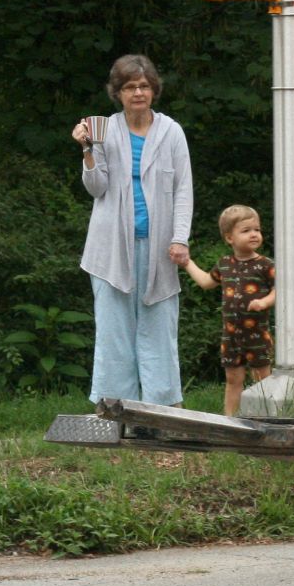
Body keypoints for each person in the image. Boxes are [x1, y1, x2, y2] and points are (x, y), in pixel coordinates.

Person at [73, 54, 191, 407]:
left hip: (160, 248)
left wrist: (179, 238)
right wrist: (87, 150)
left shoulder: (171, 131)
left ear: (153, 89)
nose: (137, 93)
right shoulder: (104, 129)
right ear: (118, 93)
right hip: (109, 249)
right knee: (113, 333)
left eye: (143, 86)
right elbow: (96, 187)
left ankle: (164, 411)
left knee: (159, 329)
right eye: (129, 87)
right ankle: (113, 410)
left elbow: (184, 188)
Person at [183, 205, 276, 417]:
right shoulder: (224, 264)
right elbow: (207, 282)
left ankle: (267, 420)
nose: (254, 234)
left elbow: (280, 289)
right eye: (246, 230)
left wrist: (265, 302)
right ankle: (229, 420)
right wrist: (187, 263)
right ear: (229, 238)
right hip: (231, 335)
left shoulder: (265, 264)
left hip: (257, 334)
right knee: (233, 380)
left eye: (257, 229)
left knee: (263, 380)